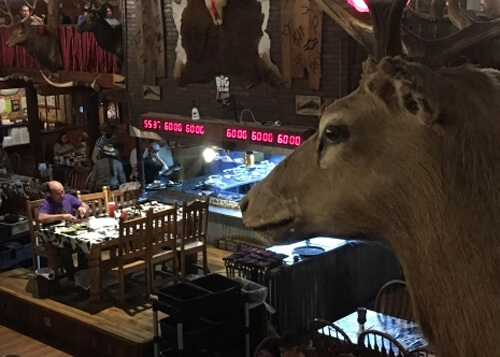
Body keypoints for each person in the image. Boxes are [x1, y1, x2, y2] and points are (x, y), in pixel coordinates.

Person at [38, 181, 89, 279]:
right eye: (57, 194)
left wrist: (83, 208)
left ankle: (82, 274)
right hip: (53, 239)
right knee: (65, 251)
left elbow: (83, 204)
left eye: (62, 191)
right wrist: (61, 216)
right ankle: (72, 275)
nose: (62, 195)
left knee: (83, 247)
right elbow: (41, 217)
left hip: (68, 234)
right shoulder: (46, 203)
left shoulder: (68, 198)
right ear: (50, 194)